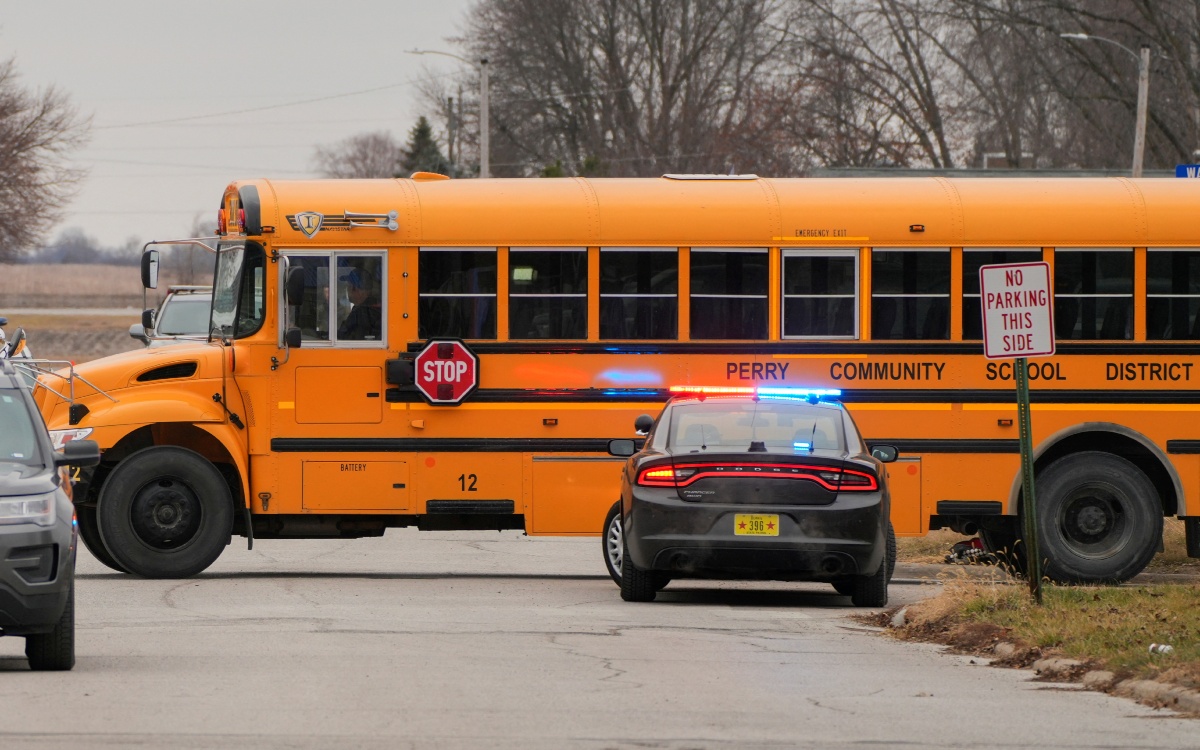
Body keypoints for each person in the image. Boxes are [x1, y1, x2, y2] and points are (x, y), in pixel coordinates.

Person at [338, 270, 382, 341]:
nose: (347, 290)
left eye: (348, 286)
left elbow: (342, 337)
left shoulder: (362, 312)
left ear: (354, 289)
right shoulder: (377, 308)